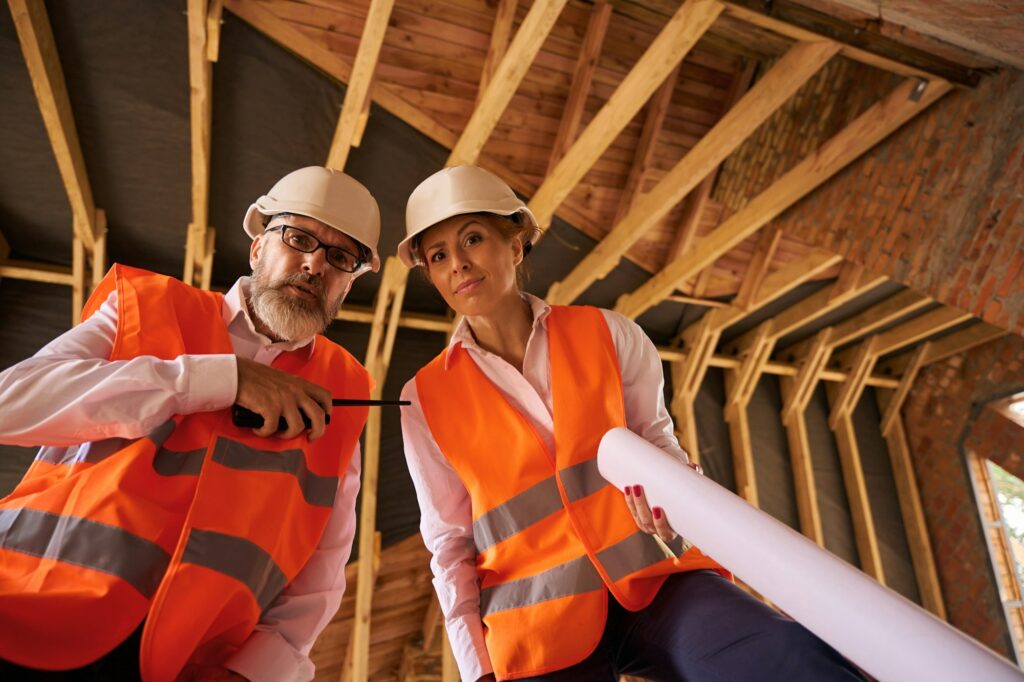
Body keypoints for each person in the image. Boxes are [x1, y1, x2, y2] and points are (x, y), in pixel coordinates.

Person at [397, 165, 866, 681]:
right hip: (534, 627)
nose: (458, 263)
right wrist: (476, 668)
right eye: (438, 255)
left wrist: (678, 503)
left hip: (657, 580)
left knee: (784, 658)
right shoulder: (423, 400)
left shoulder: (609, 333)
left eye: (473, 239)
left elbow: (657, 443)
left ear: (515, 245)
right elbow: (449, 544)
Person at [0, 166, 380, 682]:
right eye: (298, 237)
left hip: (182, 665)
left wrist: (254, 672)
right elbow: (9, 403)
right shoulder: (146, 307)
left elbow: (323, 564)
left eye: (340, 257)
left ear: (349, 282)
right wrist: (218, 380)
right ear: (256, 248)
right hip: (25, 610)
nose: (314, 264)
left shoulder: (345, 392)